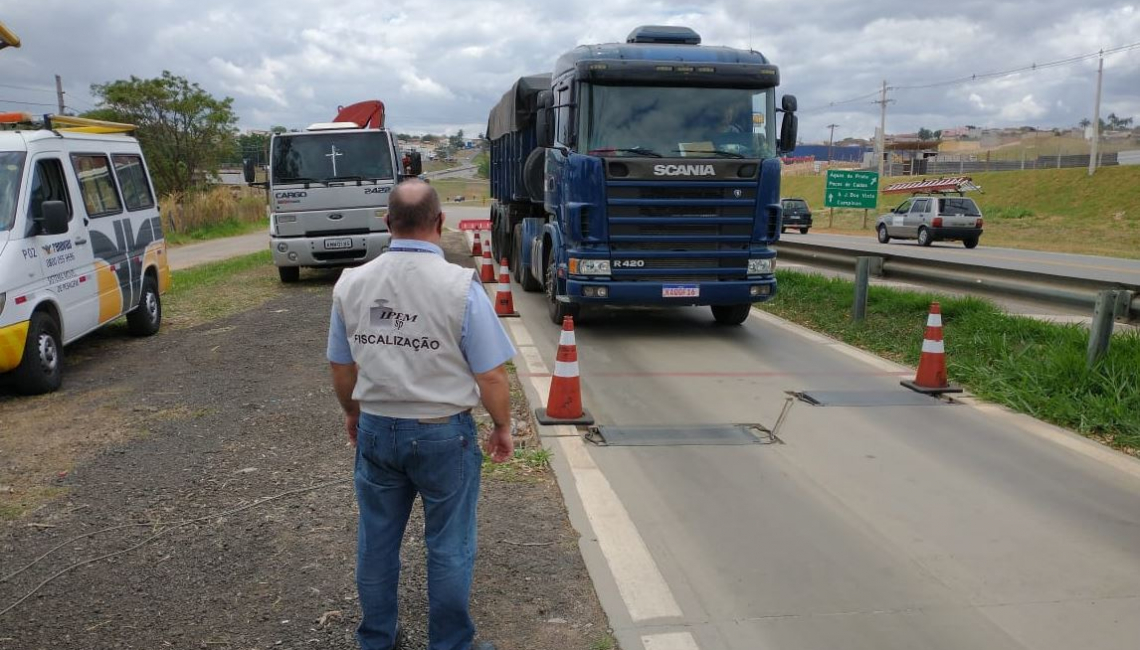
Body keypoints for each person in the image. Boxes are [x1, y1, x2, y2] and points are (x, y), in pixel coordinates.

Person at [327, 179, 515, 650]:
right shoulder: (459, 288)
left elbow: (341, 363)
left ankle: (376, 639)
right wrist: (502, 425)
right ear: (440, 222)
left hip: (376, 429)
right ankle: (450, 644)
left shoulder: (352, 283)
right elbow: (490, 376)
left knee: (377, 541)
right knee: (449, 546)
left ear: (387, 223)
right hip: (442, 435)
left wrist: (353, 411)